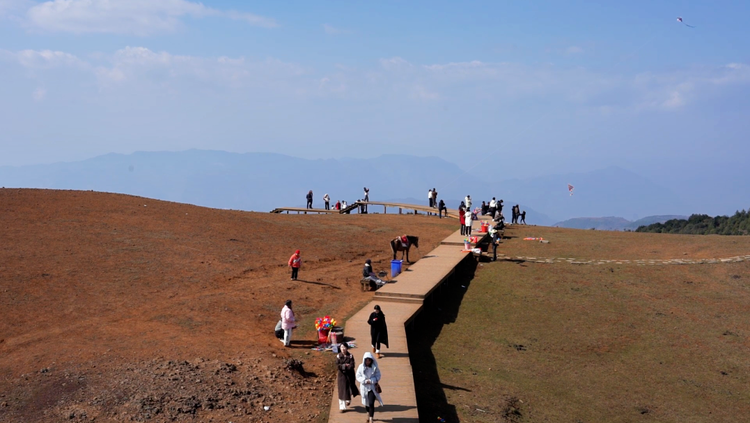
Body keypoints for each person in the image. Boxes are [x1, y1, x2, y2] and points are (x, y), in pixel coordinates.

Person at [356, 352, 383, 423]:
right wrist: (364, 381)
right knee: (366, 403)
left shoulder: (375, 367)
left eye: (369, 360)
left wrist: (372, 380)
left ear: (371, 360)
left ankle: (371, 418)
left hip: (372, 387)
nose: (368, 362)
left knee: (371, 403)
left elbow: (378, 375)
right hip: (364, 388)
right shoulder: (361, 367)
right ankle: (368, 413)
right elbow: (358, 376)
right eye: (366, 360)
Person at [336, 343, 359, 412]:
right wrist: (344, 366)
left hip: (350, 375)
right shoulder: (338, 356)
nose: (343, 349)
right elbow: (337, 365)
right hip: (341, 376)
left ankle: (348, 399)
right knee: (342, 390)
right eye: (341, 347)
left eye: (344, 347)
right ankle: (342, 407)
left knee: (349, 388)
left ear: (347, 348)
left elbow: (352, 365)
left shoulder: (351, 356)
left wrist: (347, 367)